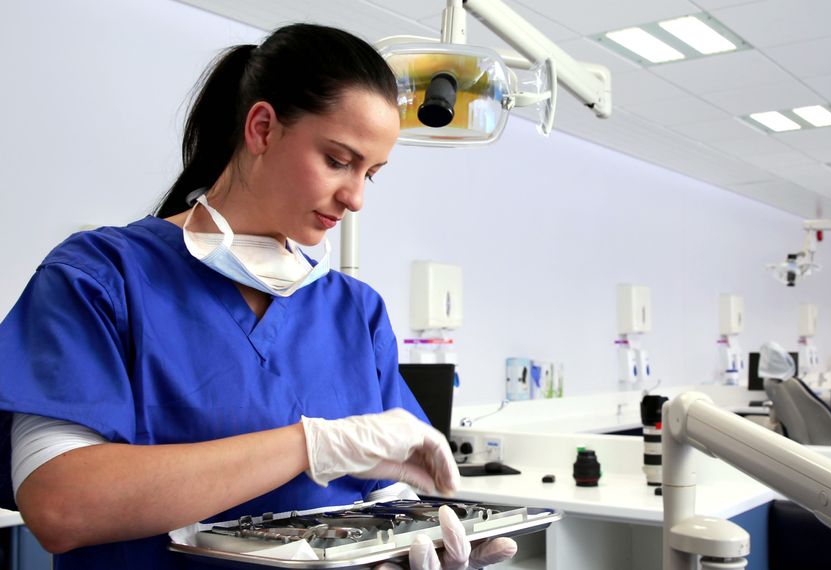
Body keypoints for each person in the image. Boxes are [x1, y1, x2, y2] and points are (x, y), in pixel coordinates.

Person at [0, 23, 514, 569]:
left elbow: (383, 498)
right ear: (263, 128)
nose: (356, 197)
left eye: (372, 173)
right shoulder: (101, 279)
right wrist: (309, 446)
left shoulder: (354, 311)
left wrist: (413, 540)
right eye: (339, 160)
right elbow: (60, 504)